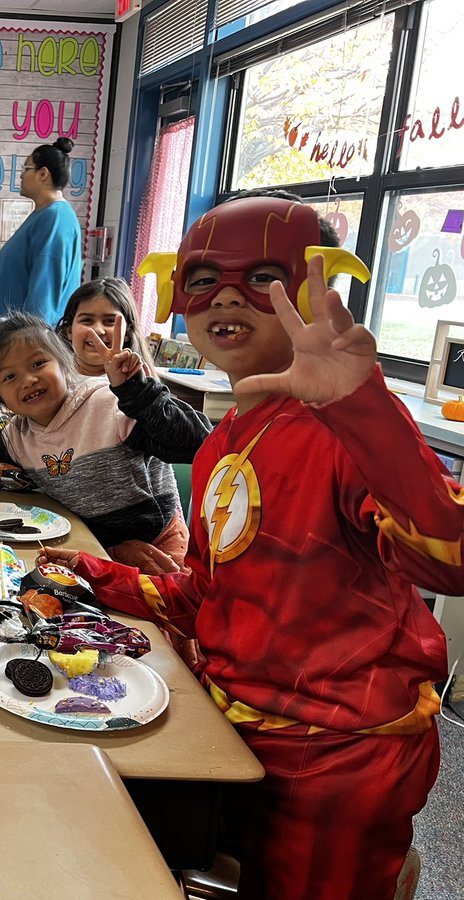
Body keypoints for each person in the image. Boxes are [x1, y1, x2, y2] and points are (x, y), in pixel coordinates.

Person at [41, 194, 459, 900]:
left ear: (313, 287)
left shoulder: (342, 427)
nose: (228, 296)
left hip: (338, 753)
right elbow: (209, 596)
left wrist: (363, 409)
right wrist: (88, 574)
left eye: (266, 277)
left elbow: (447, 557)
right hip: (228, 730)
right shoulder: (224, 445)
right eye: (204, 279)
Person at [0, 312, 208, 573]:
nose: (29, 379)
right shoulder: (18, 435)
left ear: (65, 364)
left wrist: (137, 392)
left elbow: (197, 442)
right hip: (95, 544)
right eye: (10, 377)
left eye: (38, 363)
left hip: (157, 543)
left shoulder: (108, 406)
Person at [0, 137, 83, 328]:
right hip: (16, 329)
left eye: (25, 169)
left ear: (43, 174)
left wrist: (28, 337)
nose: (20, 176)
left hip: (32, 335)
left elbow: (45, 291)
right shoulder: (44, 214)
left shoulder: (56, 218)